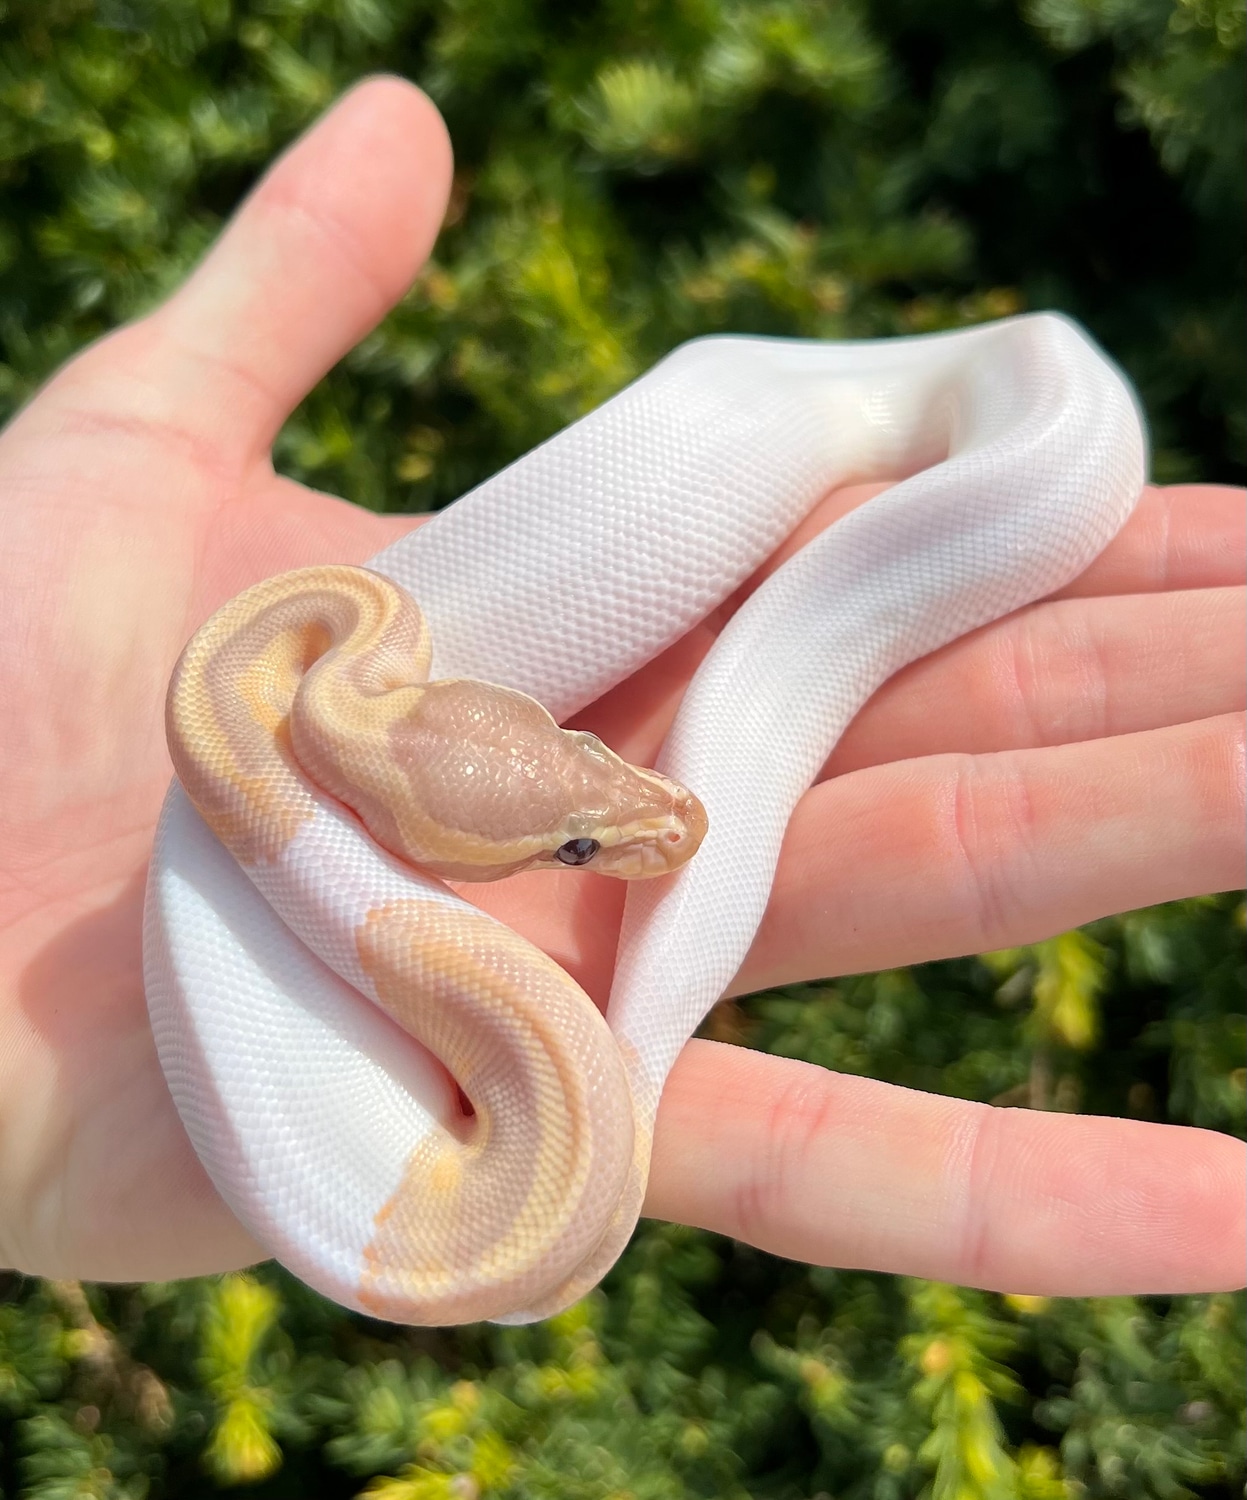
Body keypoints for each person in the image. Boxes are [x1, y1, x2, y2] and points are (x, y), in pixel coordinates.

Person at [0, 78, 1242, 1299]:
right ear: (403, 837)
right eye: (579, 848)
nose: (648, 816)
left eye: (583, 764)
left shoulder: (301, 693)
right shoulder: (324, 689)